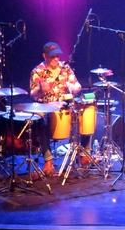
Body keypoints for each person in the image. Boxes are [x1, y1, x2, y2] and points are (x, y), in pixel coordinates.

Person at [30, 42, 84, 175]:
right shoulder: (38, 71)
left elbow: (77, 85)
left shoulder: (65, 68)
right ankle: (48, 161)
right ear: (45, 56)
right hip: (47, 106)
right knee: (39, 118)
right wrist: (40, 90)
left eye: (57, 56)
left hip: (64, 104)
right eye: (52, 56)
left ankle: (83, 155)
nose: (56, 59)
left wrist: (75, 88)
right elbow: (33, 95)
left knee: (84, 110)